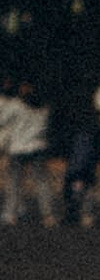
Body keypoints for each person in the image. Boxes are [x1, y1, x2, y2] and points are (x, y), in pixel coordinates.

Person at [0, 86, 49, 227]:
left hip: (19, 147)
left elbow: (2, 120)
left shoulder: (16, 105)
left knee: (14, 182)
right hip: (37, 146)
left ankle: (11, 214)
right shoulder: (42, 107)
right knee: (42, 182)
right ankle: (48, 215)